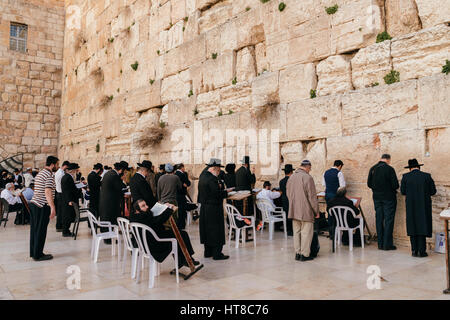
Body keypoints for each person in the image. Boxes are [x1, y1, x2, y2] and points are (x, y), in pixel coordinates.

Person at [129, 199, 200, 269]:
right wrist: (169, 209)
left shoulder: (134, 217)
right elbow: (158, 220)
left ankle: (183, 260)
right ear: (137, 210)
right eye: (143, 206)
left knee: (180, 233)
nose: (147, 207)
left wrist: (163, 207)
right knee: (181, 234)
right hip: (155, 244)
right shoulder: (142, 217)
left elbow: (154, 220)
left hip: (148, 241)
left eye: (146, 204)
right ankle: (187, 260)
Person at [400, 159, 437, 257]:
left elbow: (403, 192)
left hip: (411, 206)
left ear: (410, 168)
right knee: (422, 225)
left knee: (412, 225)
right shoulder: (427, 176)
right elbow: (433, 191)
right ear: (419, 167)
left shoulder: (405, 177)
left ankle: (414, 251)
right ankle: (422, 251)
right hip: (423, 205)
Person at [198, 158, 233, 260]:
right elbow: (216, 194)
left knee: (207, 230)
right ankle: (217, 254)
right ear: (214, 169)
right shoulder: (212, 179)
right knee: (216, 230)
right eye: (218, 170)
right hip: (213, 208)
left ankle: (208, 252)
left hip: (205, 207)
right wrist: (226, 192)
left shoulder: (203, 176)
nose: (219, 173)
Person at [286, 160, 319, 262]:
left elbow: (288, 194)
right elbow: (312, 197)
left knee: (297, 232)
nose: (310, 170)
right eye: (310, 168)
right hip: (306, 210)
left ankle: (298, 253)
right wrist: (316, 211)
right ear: (308, 167)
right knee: (306, 232)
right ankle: (304, 254)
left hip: (294, 209)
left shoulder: (291, 177)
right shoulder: (307, 178)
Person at [29, 155, 59, 261]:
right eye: (57, 164)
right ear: (52, 164)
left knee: (35, 230)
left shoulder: (40, 173)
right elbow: (48, 191)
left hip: (34, 203)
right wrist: (52, 207)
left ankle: (34, 252)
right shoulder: (49, 175)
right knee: (41, 230)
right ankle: (38, 255)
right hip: (41, 205)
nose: (57, 166)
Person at [367, 154, 399, 251]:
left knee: (379, 219)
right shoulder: (390, 169)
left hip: (377, 198)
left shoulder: (372, 168)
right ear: (388, 160)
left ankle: (380, 244)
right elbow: (395, 185)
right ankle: (387, 245)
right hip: (389, 198)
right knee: (389, 220)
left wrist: (377, 190)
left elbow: (369, 184)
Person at [99, 161, 130, 244]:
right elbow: (120, 187)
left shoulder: (109, 173)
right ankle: (108, 239)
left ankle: (107, 237)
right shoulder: (114, 176)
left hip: (105, 201)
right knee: (110, 219)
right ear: (121, 170)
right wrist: (123, 180)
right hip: (110, 202)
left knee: (107, 218)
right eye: (125, 171)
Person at [61, 163, 82, 237]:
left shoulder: (67, 177)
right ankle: (65, 232)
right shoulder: (68, 178)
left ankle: (66, 230)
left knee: (67, 215)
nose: (77, 171)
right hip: (68, 200)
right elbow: (67, 190)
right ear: (73, 170)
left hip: (67, 199)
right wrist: (69, 200)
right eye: (76, 170)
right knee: (67, 216)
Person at [54, 160, 70, 232]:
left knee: (60, 211)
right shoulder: (61, 174)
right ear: (66, 166)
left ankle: (59, 226)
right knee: (62, 211)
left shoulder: (58, 172)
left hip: (58, 193)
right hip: (61, 193)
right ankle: (60, 226)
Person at [175, 163, 191, 230]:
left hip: (176, 195)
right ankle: (181, 226)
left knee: (178, 211)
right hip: (181, 195)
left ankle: (178, 225)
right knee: (182, 211)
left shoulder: (175, 174)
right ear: (182, 167)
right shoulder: (183, 174)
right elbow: (188, 183)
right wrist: (184, 184)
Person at [279, 164, 294, 236]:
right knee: (292, 215)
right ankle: (292, 230)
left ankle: (288, 230)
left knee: (287, 214)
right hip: (291, 199)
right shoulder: (292, 181)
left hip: (284, 199)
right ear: (291, 172)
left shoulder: (281, 181)